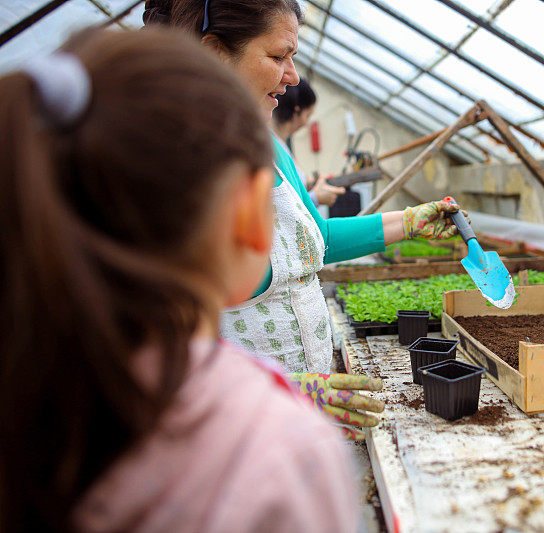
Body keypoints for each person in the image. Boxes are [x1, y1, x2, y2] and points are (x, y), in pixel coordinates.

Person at [0, 28, 356, 532]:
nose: (289, 74)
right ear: (252, 215)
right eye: (278, 55)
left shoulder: (31, 391)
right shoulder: (280, 452)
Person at [144, 1, 463, 436]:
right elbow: (150, 345)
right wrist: (273, 390)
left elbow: (315, 239)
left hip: (299, 420)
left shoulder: (270, 148)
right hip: (230, 429)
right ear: (216, 53)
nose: (293, 75)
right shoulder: (164, 168)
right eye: (278, 56)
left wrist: (410, 222)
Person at [273, 77, 345, 207]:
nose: (306, 123)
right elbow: (279, 207)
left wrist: (308, 184)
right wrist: (315, 198)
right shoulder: (272, 146)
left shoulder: (281, 144)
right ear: (297, 110)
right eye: (307, 115)